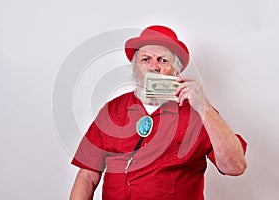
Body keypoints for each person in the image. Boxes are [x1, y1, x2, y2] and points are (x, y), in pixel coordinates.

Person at [69, 25, 247, 200]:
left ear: (176, 71)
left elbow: (235, 167)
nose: (154, 67)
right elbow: (87, 176)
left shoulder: (198, 113)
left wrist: (204, 106)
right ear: (135, 68)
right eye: (145, 59)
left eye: (163, 60)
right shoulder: (112, 110)